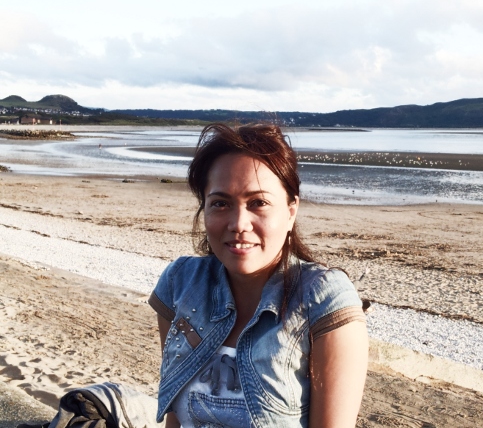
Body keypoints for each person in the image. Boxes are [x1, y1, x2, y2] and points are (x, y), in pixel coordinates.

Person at [149, 123, 368, 427]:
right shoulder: (182, 283)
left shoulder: (323, 300)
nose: (239, 223)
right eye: (220, 203)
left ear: (291, 211)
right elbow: (175, 418)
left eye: (259, 203)